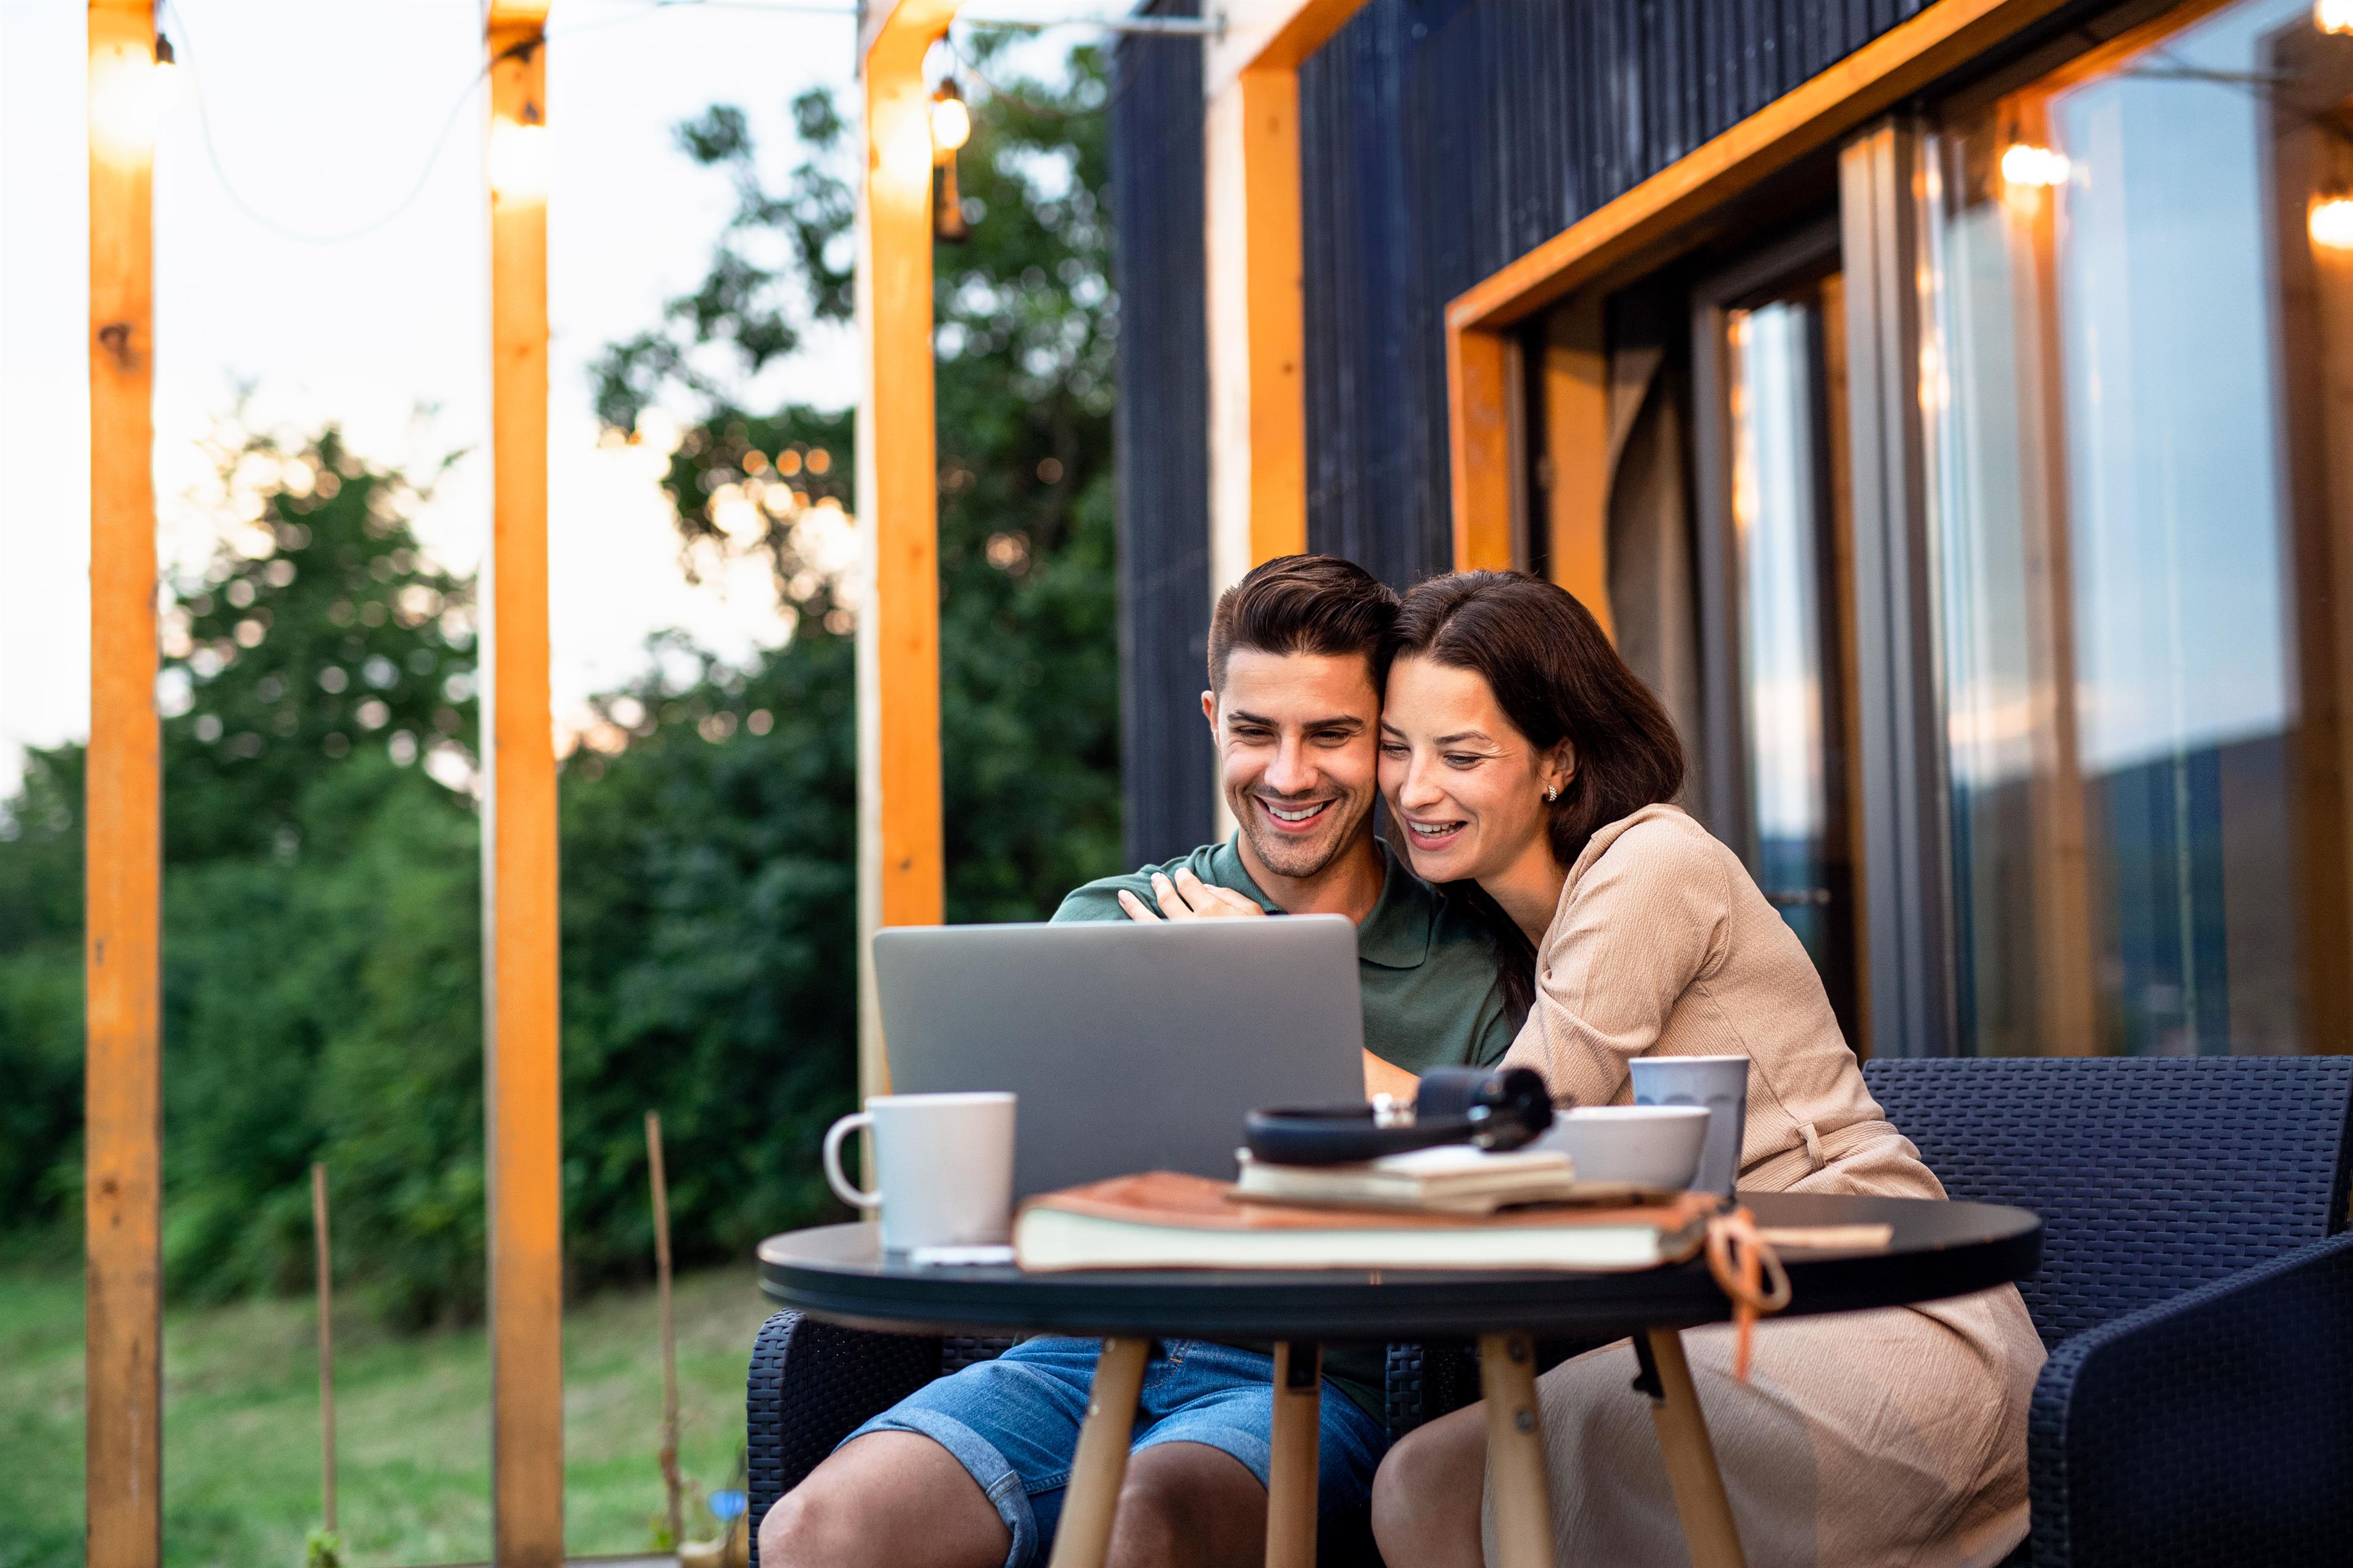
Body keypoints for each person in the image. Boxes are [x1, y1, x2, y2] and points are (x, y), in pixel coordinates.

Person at [760, 555, 1526, 1568]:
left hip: (1312, 1388)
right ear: (1214, 719)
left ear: (1384, 742)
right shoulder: (1101, 922)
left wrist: (1264, 988)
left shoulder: (1468, 971)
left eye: (1331, 735)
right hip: (1074, 1359)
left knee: (1140, 1522)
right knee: (813, 1533)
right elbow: (1010, 1203)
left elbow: (1494, 1210)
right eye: (1256, 732)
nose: (1289, 774)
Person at [1365, 570, 2046, 1568]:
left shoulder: (1652, 863)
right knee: (1424, 1480)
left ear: (1558, 760)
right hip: (1721, 1317)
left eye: (1460, 755)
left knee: (1455, 1482)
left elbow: (1510, 1124)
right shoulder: (1523, 938)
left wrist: (1265, 1013)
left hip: (1876, 1322)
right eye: (1395, 747)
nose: (1413, 789)